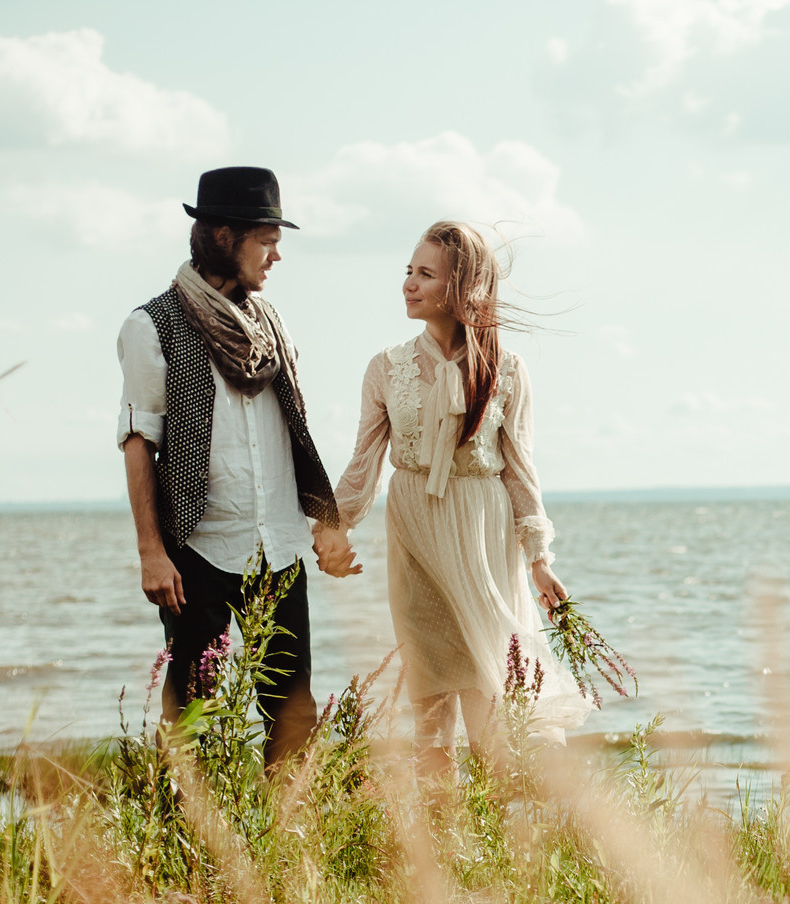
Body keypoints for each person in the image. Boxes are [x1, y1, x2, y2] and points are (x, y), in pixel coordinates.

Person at [117, 165, 361, 766]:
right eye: (266, 240)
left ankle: (282, 851)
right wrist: (151, 550)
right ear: (224, 235)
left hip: (278, 547)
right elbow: (137, 442)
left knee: (293, 716)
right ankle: (187, 853)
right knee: (190, 722)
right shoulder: (152, 325)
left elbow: (295, 433)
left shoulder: (272, 324)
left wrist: (326, 523)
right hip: (197, 551)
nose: (276, 255)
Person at [333, 221, 587, 767]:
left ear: (462, 287)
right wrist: (335, 527)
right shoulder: (385, 367)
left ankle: (502, 821)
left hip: (483, 533)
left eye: (425, 274)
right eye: (408, 271)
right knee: (428, 680)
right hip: (413, 526)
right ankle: (440, 827)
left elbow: (519, 469)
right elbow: (363, 463)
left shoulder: (507, 369)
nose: (408, 284)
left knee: (489, 675)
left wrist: (539, 560)